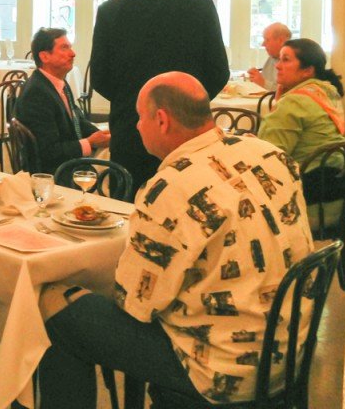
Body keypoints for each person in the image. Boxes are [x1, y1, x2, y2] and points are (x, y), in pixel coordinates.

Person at [37, 72, 314, 408]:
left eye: (140, 117)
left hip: (218, 372)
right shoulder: (270, 154)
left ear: (162, 120)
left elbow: (135, 305)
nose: (137, 127)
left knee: (55, 307)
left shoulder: (170, 187)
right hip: (289, 353)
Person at [90, 0, 229, 193]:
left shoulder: (111, 9)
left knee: (129, 201)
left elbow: (99, 75)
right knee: (190, 200)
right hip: (188, 128)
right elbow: (219, 71)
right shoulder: (201, 6)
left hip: (131, 124)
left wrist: (136, 103)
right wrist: (188, 103)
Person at [13, 28, 110, 177]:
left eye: (70, 47)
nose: (73, 53)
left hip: (67, 163)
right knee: (117, 169)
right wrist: (89, 143)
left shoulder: (58, 82)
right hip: (55, 173)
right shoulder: (37, 93)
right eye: (64, 48)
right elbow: (48, 152)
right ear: (45, 56)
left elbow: (77, 118)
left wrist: (98, 134)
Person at [258, 38, 345, 174]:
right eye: (280, 59)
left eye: (286, 60)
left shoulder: (294, 102)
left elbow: (269, 155)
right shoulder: (324, 92)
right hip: (336, 175)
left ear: (307, 71)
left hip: (306, 182)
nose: (278, 66)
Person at [247, 22, 291, 90]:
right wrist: (254, 77)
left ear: (281, 40)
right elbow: (267, 79)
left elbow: (288, 92)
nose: (263, 44)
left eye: (267, 40)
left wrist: (263, 83)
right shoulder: (272, 57)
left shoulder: (293, 61)